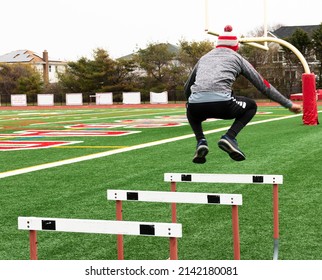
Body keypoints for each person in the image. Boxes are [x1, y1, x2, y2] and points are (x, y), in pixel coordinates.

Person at [184, 25, 302, 164]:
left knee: (190, 106)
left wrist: (195, 107)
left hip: (196, 104)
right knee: (251, 106)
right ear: (236, 47)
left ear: (217, 45)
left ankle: (201, 141)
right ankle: (229, 137)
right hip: (223, 104)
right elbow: (263, 86)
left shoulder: (203, 58)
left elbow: (187, 87)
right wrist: (288, 104)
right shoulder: (237, 58)